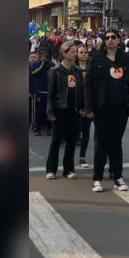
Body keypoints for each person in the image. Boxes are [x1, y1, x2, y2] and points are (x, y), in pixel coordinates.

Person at [84, 31, 129, 193]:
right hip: (101, 109)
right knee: (101, 143)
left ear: (119, 40)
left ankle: (118, 177)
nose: (110, 40)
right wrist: (89, 108)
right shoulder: (97, 59)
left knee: (116, 143)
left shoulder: (126, 60)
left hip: (120, 108)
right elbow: (88, 85)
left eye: (113, 38)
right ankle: (97, 178)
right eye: (107, 38)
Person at [45, 42, 83, 179]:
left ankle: (69, 169)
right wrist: (50, 111)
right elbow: (51, 94)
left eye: (75, 51)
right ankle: (51, 170)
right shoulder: (55, 71)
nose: (74, 54)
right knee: (56, 141)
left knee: (71, 141)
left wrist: (82, 107)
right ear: (64, 53)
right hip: (59, 110)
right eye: (72, 52)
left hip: (73, 110)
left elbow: (81, 91)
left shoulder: (77, 71)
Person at [75, 44, 92, 168]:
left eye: (85, 52)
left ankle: (82, 157)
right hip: (77, 105)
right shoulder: (73, 68)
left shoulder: (93, 67)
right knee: (75, 132)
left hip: (90, 105)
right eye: (81, 52)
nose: (84, 54)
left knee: (86, 132)